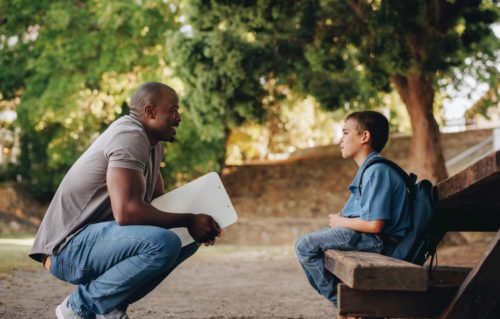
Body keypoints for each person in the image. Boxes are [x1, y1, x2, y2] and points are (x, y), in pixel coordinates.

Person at [29, 82, 222, 319]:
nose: (178, 118)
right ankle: (78, 308)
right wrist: (189, 219)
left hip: (97, 242)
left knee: (186, 238)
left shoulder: (154, 145)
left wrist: (197, 222)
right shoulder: (129, 135)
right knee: (164, 243)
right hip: (65, 250)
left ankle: (110, 306)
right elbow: (127, 212)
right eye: (172, 110)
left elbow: (157, 202)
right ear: (150, 112)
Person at [295, 110, 411, 307]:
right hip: (369, 238)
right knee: (311, 245)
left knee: (305, 246)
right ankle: (348, 303)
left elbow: (375, 225)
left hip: (379, 241)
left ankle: (346, 305)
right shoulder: (371, 170)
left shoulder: (377, 171)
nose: (340, 140)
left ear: (364, 136)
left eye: (346, 133)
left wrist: (341, 221)